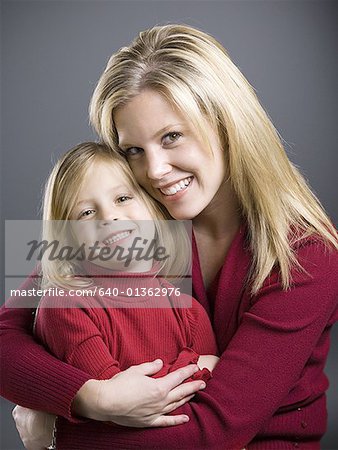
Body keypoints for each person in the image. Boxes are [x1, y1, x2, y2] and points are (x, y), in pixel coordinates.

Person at [2, 23, 338, 450]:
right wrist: (91, 396)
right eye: (134, 150)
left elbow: (213, 432)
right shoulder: (128, 220)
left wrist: (55, 429)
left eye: (172, 137)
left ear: (226, 121)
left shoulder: (308, 254)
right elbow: (7, 335)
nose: (155, 170)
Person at [31, 141, 218, 449]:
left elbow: (204, 411)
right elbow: (118, 404)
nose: (110, 217)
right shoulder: (66, 305)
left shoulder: (188, 309)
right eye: (87, 212)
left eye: (122, 198)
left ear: (153, 208)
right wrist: (198, 363)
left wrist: (194, 372)